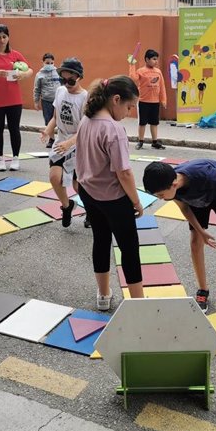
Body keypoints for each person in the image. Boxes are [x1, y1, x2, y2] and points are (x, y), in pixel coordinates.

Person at [143, 160, 216, 313]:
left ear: (174, 184)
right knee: (195, 243)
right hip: (197, 202)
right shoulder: (168, 187)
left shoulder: (201, 174)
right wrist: (201, 232)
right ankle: (203, 290)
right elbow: (184, 208)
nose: (161, 198)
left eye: (161, 195)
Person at [75, 76, 145, 309]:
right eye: (129, 106)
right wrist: (136, 201)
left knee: (101, 240)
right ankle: (138, 303)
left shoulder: (87, 119)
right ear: (116, 100)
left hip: (89, 193)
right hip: (114, 199)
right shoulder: (114, 130)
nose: (130, 112)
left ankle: (103, 295)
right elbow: (123, 173)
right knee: (129, 248)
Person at [40, 58, 87, 227]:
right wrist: (47, 130)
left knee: (78, 185)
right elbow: (55, 116)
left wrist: (70, 144)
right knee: (54, 177)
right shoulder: (60, 91)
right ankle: (67, 206)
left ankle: (91, 210)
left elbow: (84, 129)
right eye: (63, 79)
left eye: (71, 80)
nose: (67, 83)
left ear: (79, 77)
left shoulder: (85, 98)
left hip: (78, 145)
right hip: (60, 142)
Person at [0, 24, 33, 171]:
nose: (2, 40)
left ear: (8, 37)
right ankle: (0, 159)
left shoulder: (15, 55)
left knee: (14, 129)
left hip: (14, 99)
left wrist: (23, 74)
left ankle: (15, 158)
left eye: (4, 37)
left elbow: (30, 70)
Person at [129, 49, 167, 150]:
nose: (156, 61)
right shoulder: (141, 71)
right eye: (154, 59)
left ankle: (155, 142)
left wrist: (163, 100)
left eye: (156, 59)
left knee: (154, 123)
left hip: (155, 102)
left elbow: (162, 86)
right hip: (143, 102)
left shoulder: (158, 72)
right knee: (142, 123)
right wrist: (132, 65)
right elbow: (133, 78)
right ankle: (140, 141)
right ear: (147, 59)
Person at [33, 53, 61, 149]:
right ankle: (52, 139)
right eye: (47, 62)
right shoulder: (39, 75)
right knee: (49, 121)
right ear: (43, 62)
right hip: (46, 101)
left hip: (58, 100)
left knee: (61, 120)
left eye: (51, 63)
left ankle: (61, 140)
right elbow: (37, 89)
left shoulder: (58, 72)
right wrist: (36, 102)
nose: (49, 64)